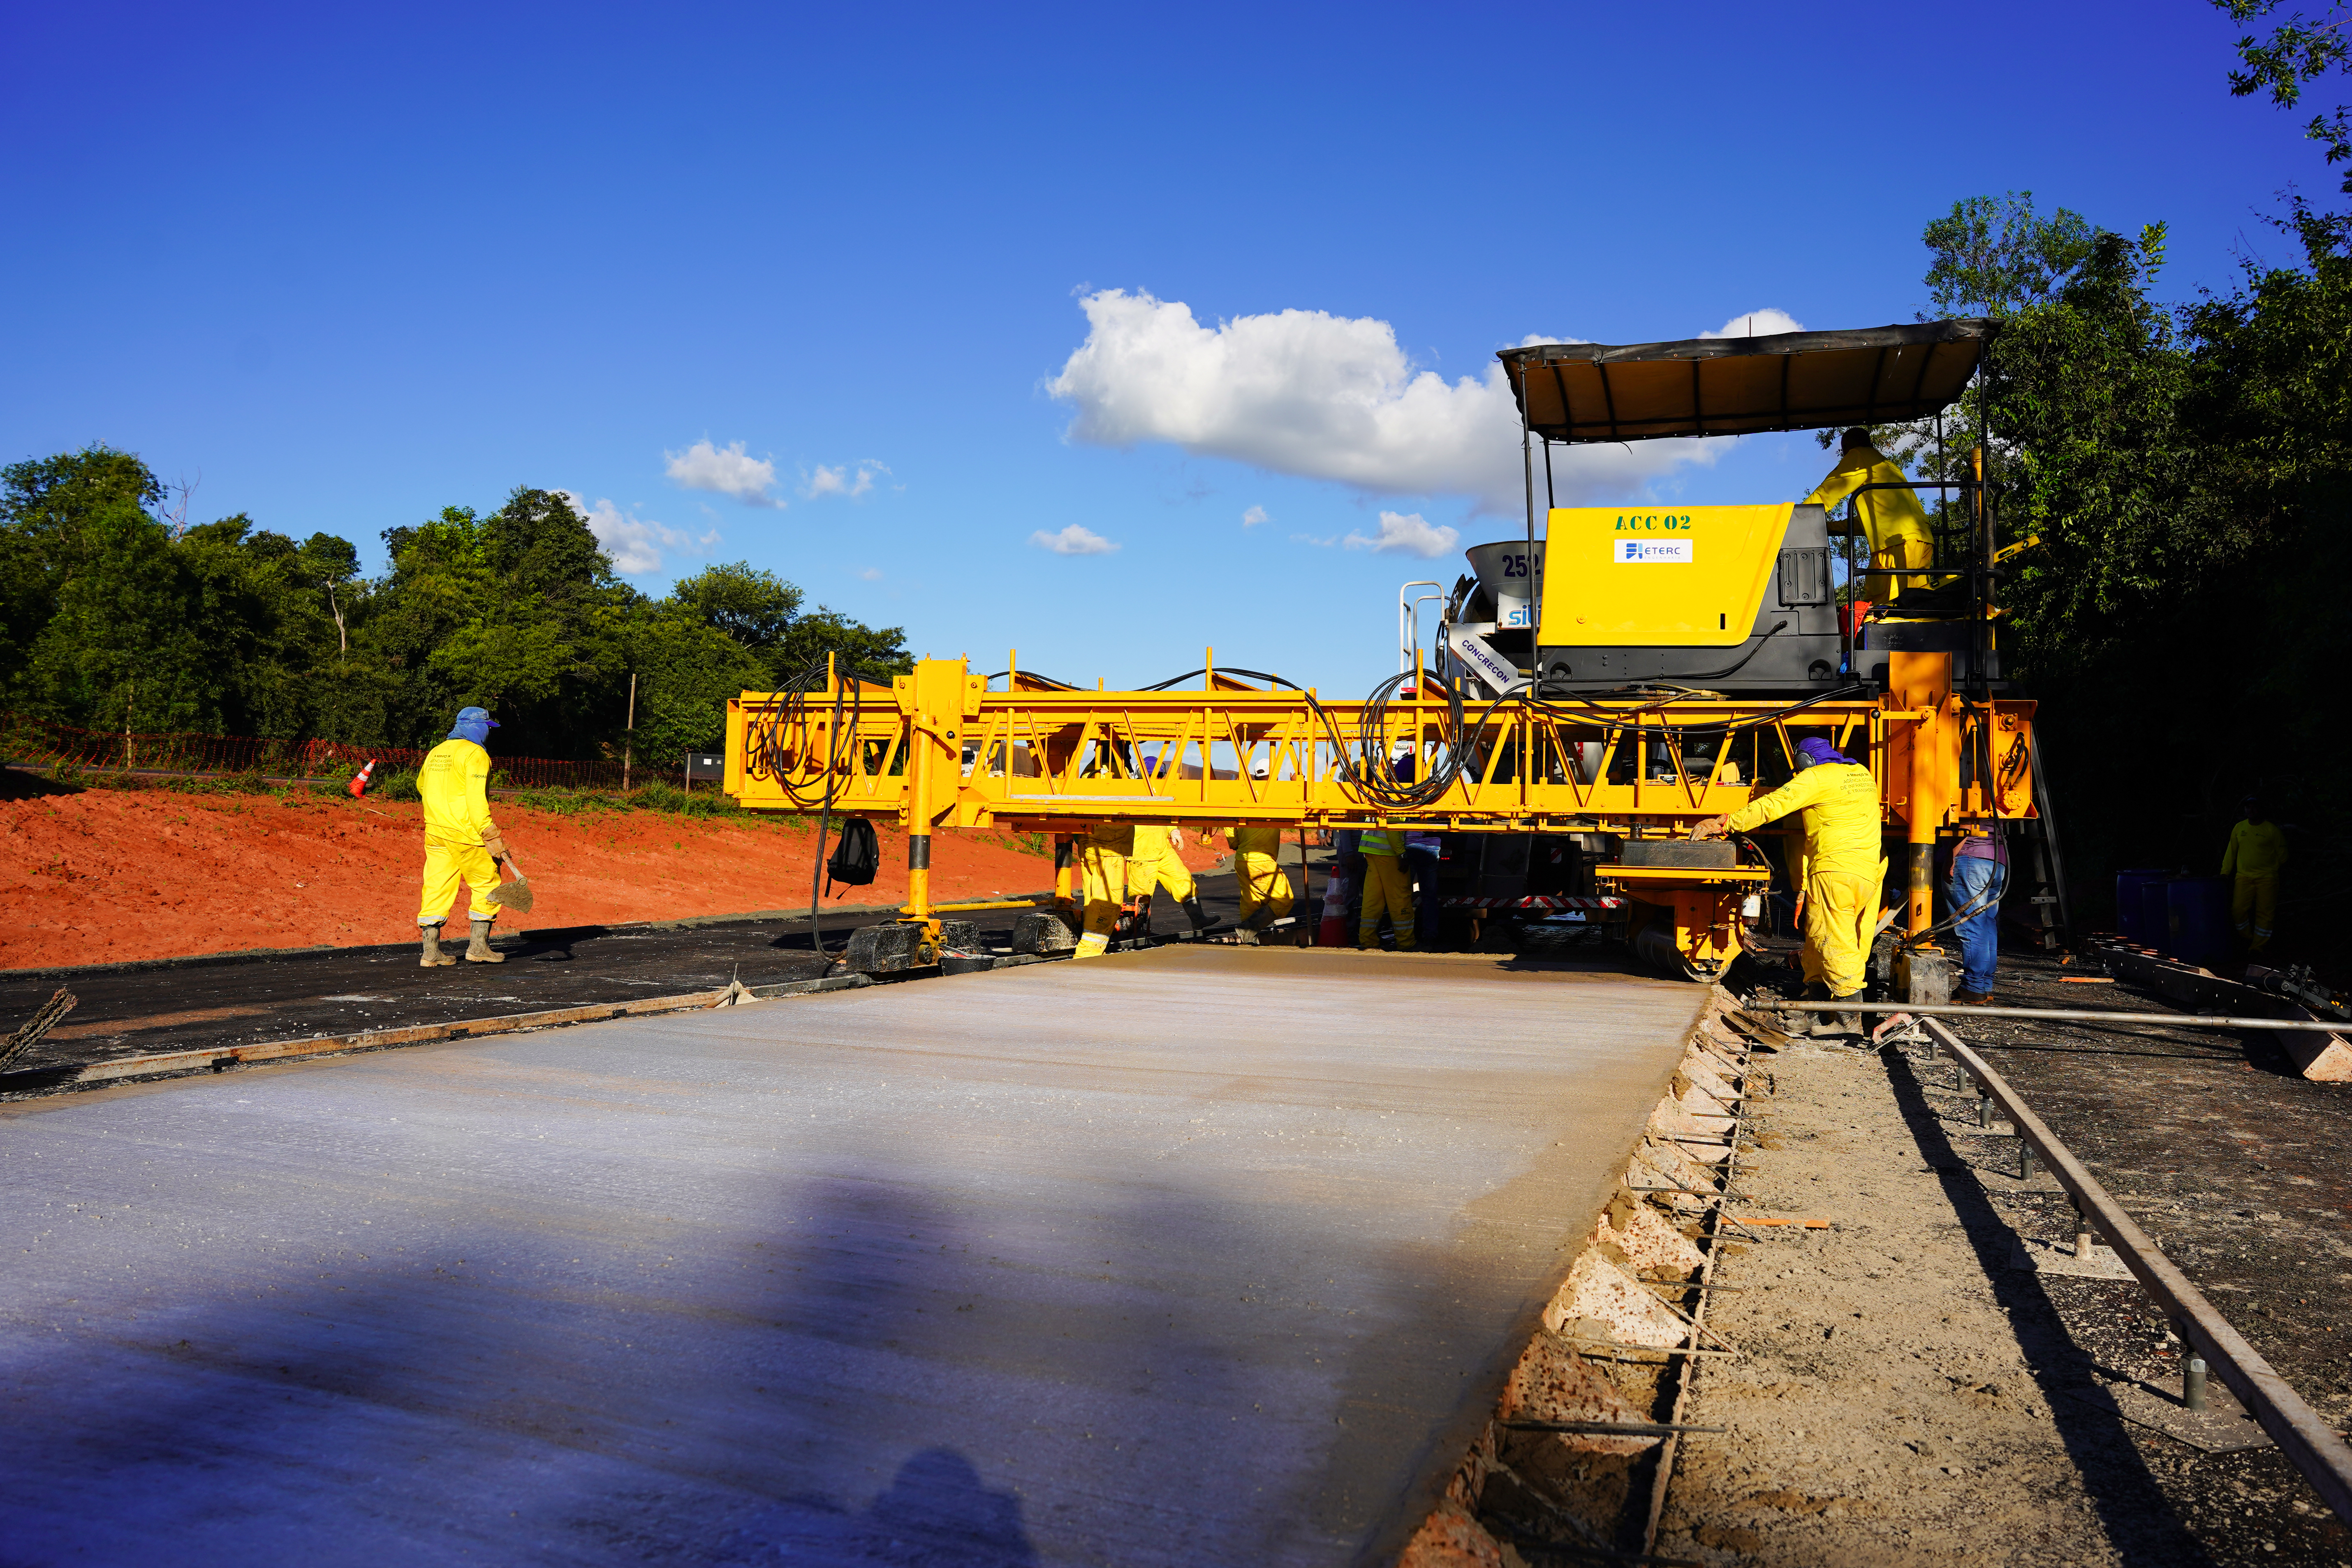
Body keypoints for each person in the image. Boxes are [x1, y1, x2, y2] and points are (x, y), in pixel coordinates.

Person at [1692, 736, 1883, 1032]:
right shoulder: (1862, 775)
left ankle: (1848, 1020)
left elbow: (1774, 804)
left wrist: (1725, 823)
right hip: (1868, 872)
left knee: (1832, 942)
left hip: (1835, 871)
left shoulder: (1816, 777)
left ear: (1805, 761)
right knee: (1827, 940)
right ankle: (1814, 1012)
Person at [416, 705, 524, 966]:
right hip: (468, 835)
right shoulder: (476, 754)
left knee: (436, 887)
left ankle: (430, 953)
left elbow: (421, 786)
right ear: (476, 727)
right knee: (488, 886)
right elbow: (477, 800)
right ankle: (478, 948)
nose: (488, 733)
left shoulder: (437, 752)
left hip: (437, 833)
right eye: (487, 728)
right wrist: (490, 833)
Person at [1805, 429, 1939, 607]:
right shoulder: (1886, 466)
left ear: (1847, 447)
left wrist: (1799, 517)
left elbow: (1828, 492)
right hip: (1921, 540)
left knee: (1885, 606)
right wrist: (1827, 527)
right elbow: (1870, 522)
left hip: (1897, 544)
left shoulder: (1859, 457)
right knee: (1916, 604)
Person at [1945, 828, 2008, 1005]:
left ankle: (1973, 987)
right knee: (1987, 925)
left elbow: (1965, 825)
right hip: (1996, 861)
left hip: (1971, 858)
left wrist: (1949, 859)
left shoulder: (1972, 799)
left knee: (1972, 925)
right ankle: (1984, 985)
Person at [1124, 823, 1219, 934]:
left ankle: (1198, 919)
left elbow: (1164, 816)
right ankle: (1133, 930)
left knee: (1184, 881)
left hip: (1164, 851)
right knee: (1141, 894)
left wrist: (1173, 830)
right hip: (1141, 854)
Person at [2222, 797, 2287, 954]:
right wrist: (2225, 872)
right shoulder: (2239, 828)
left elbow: (2283, 855)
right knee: (2238, 910)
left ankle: (2258, 948)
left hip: (2267, 878)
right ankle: (2247, 937)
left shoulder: (2272, 830)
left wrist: (2271, 870)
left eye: (2254, 807)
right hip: (2244, 877)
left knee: (2265, 913)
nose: (2250, 810)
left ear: (2261, 810)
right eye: (2247, 807)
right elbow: (2231, 852)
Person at [1072, 822, 1134, 959]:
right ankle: (1088, 953)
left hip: (1089, 841)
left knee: (1093, 901)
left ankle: (1089, 948)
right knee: (1108, 904)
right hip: (1110, 844)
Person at [1220, 821, 1296, 932]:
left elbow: (1234, 843)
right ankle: (1248, 929)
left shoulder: (1236, 810)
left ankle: (1248, 938)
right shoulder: (1274, 807)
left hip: (1242, 861)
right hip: (1262, 863)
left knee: (1252, 900)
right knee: (1284, 900)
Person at [1357, 827, 1417, 951]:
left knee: (1373, 899)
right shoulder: (1398, 807)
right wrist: (1402, 854)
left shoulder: (1378, 806)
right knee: (1399, 899)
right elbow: (1393, 828)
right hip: (1390, 854)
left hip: (1372, 851)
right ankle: (1406, 942)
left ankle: (1368, 941)